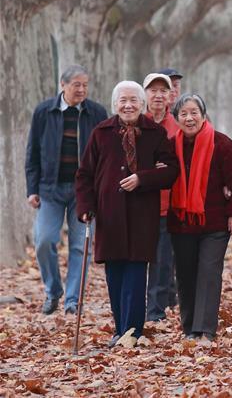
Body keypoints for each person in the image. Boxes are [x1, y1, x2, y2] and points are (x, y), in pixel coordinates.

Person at [75, 81, 179, 346]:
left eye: (134, 100)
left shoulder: (154, 133)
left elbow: (170, 171)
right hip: (110, 214)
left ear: (142, 104)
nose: (128, 105)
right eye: (123, 100)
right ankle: (120, 328)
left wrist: (142, 179)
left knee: (135, 271)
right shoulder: (101, 132)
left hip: (142, 215)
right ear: (115, 104)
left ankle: (132, 332)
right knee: (115, 273)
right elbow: (85, 175)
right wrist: (86, 207)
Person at [26, 65, 108, 315]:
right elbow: (33, 153)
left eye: (85, 84)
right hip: (50, 189)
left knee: (80, 247)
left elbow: (105, 154)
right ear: (63, 85)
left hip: (84, 191)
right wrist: (32, 189)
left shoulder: (96, 112)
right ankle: (53, 291)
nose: (82, 89)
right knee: (44, 240)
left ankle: (72, 301)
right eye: (76, 85)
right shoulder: (44, 111)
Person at [168, 94, 232, 340]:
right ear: (177, 118)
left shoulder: (221, 143)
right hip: (181, 223)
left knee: (209, 271)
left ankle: (205, 329)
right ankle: (190, 326)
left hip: (215, 223)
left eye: (194, 112)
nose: (189, 118)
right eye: (184, 114)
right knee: (185, 273)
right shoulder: (171, 146)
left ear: (203, 116)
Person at [143, 73, 180, 322]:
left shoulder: (177, 126)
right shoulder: (134, 121)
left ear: (170, 96)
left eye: (162, 91)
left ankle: (155, 314)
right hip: (138, 206)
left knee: (162, 263)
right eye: (152, 90)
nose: (158, 95)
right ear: (144, 94)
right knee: (137, 262)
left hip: (168, 205)